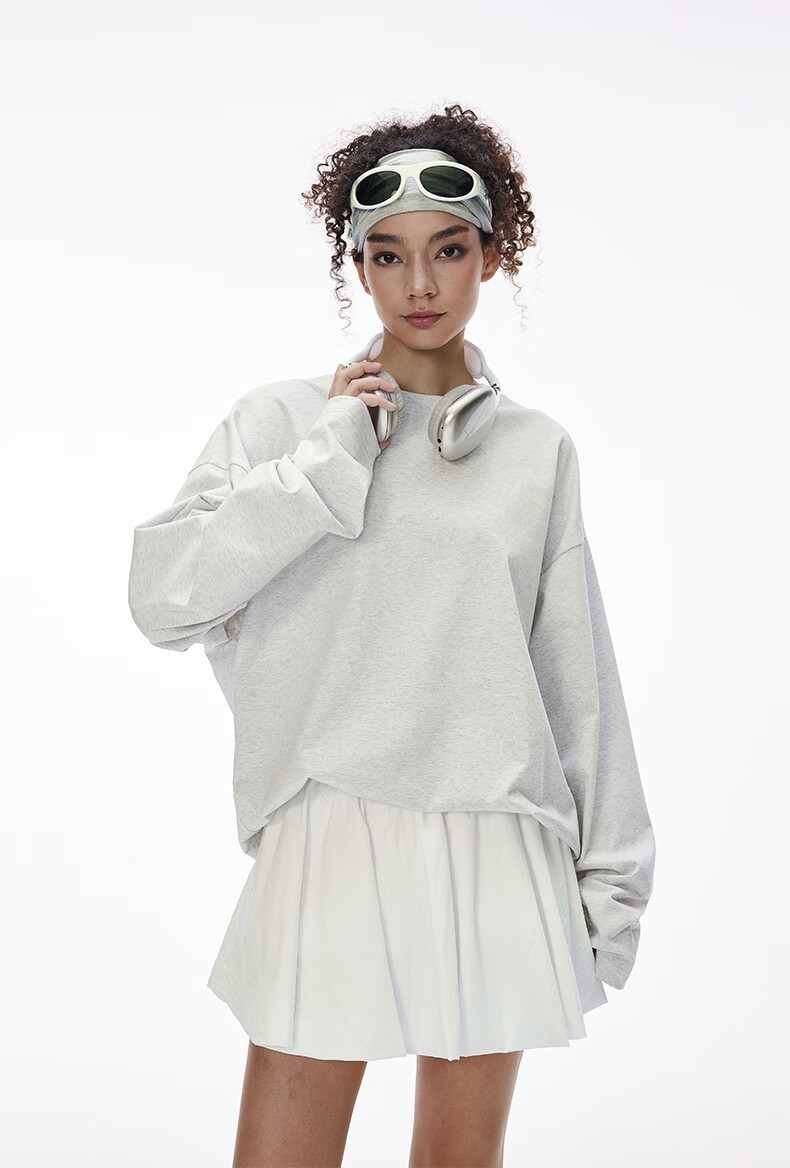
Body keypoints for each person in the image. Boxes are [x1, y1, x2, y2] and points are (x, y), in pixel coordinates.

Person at [128, 103, 656, 1168]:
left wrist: (613, 879)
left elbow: (575, 674)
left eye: (448, 250)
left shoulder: (536, 453)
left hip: (496, 838)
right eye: (388, 256)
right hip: (330, 827)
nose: (420, 284)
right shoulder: (282, 425)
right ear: (358, 267)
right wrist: (329, 461)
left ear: (492, 257)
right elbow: (164, 598)